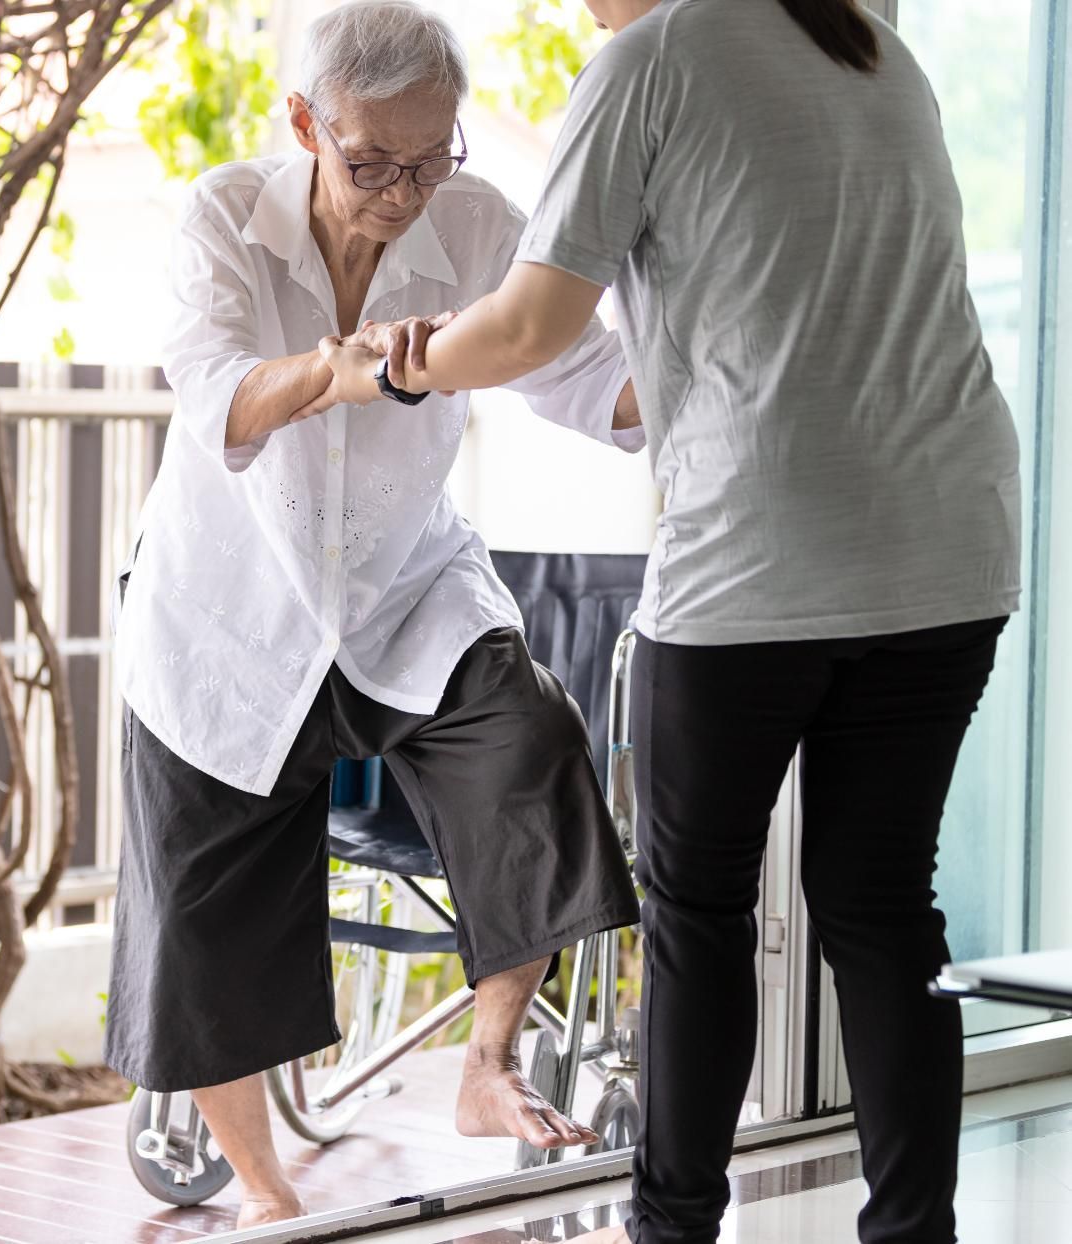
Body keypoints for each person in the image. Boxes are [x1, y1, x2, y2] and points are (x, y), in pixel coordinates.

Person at [321, 2, 1022, 1241]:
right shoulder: (868, 45)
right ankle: (916, 1230)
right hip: (946, 544)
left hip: (760, 560)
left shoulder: (649, 64)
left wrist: (396, 359)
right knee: (881, 903)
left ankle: (674, 1229)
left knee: (697, 913)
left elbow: (535, 323)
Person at [105, 0, 648, 1229]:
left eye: (432, 156)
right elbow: (213, 399)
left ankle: (485, 1065)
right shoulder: (222, 218)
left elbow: (575, 372)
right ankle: (265, 1187)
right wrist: (337, 369)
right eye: (372, 164)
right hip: (228, 609)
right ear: (306, 123)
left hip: (407, 587)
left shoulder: (475, 223)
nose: (404, 192)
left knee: (533, 746)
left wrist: (689, 392)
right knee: (205, 908)